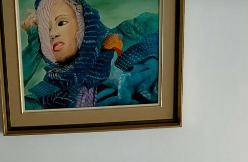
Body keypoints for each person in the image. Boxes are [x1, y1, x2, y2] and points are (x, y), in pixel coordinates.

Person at [21, 0, 160, 110]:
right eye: (45, 30)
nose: (52, 34)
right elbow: (14, 100)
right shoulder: (48, 92)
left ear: (82, 23)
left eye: (61, 23)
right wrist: (34, 44)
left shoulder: (133, 33)